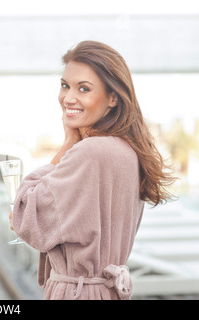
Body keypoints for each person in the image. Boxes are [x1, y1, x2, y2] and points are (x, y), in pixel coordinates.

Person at [9, 40, 176, 300]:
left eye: (83, 89)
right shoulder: (127, 150)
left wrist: (68, 143)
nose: (68, 97)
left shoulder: (90, 152)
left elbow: (24, 215)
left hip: (78, 293)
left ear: (112, 98)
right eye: (65, 85)